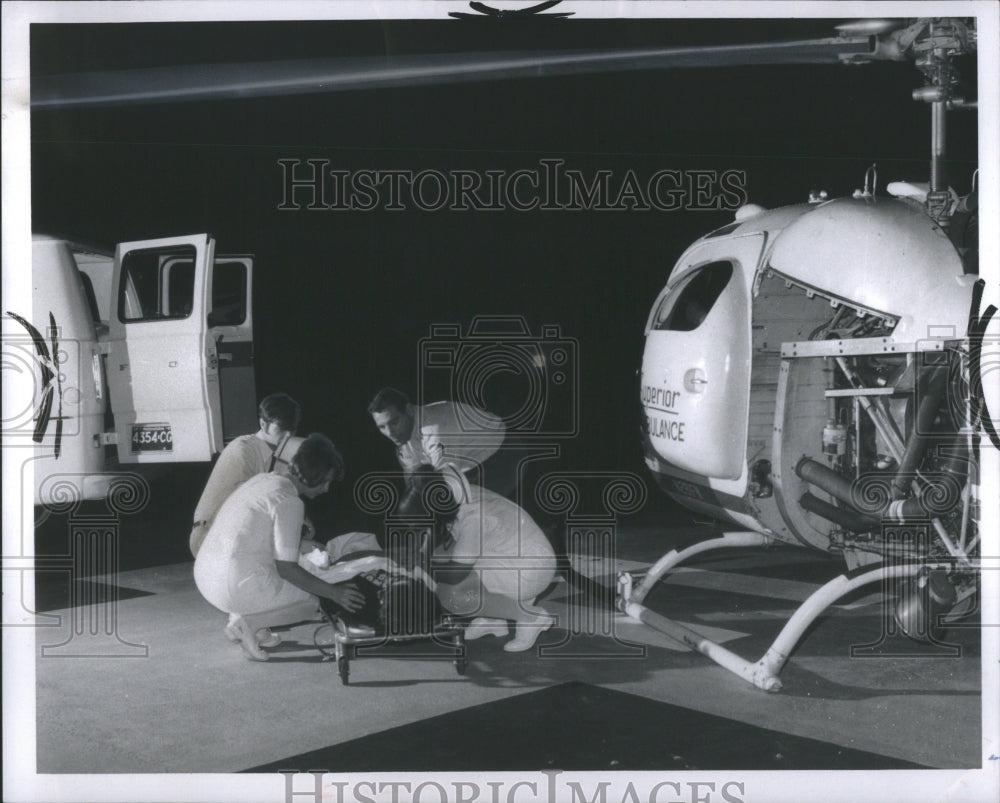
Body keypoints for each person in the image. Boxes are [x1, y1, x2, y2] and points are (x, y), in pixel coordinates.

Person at [193, 433, 364, 660]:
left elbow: (254, 533)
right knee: (314, 600)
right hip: (232, 586)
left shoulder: (264, 480)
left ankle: (250, 625)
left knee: (267, 574)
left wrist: (300, 541)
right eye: (326, 480)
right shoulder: (291, 502)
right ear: (314, 475)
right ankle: (249, 624)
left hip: (206, 577)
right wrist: (333, 592)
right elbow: (287, 569)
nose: (327, 489)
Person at [400, 466, 556, 652]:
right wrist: (422, 557)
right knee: (441, 559)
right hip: (522, 555)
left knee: (451, 596)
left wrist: (422, 567)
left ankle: (530, 617)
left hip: (530, 569)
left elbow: (455, 575)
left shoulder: (473, 518)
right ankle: (494, 619)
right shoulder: (449, 492)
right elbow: (435, 538)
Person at [189, 392, 301, 557]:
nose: (288, 434)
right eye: (282, 428)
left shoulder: (280, 454)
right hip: (208, 537)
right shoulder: (242, 449)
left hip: (235, 536)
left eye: (292, 428)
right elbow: (251, 506)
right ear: (263, 424)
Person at [367, 387, 506, 485]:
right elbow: (413, 483)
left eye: (394, 422)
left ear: (408, 410)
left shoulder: (435, 430)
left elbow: (446, 483)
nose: (390, 433)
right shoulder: (403, 436)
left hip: (502, 454)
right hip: (467, 468)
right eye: (382, 427)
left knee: (474, 517)